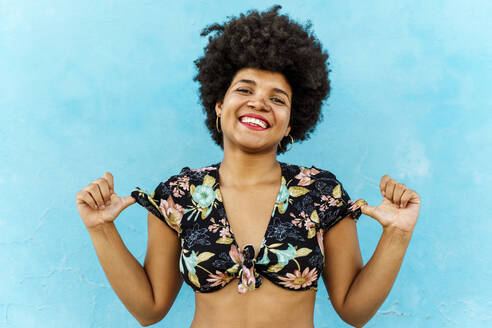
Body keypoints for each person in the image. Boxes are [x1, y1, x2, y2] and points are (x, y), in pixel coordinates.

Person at [75, 5, 421, 327]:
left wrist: (397, 234)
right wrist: (101, 228)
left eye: (277, 98)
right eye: (245, 89)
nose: (259, 102)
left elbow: (355, 311)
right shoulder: (179, 195)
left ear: (290, 124)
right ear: (219, 106)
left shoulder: (321, 193)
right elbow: (149, 308)